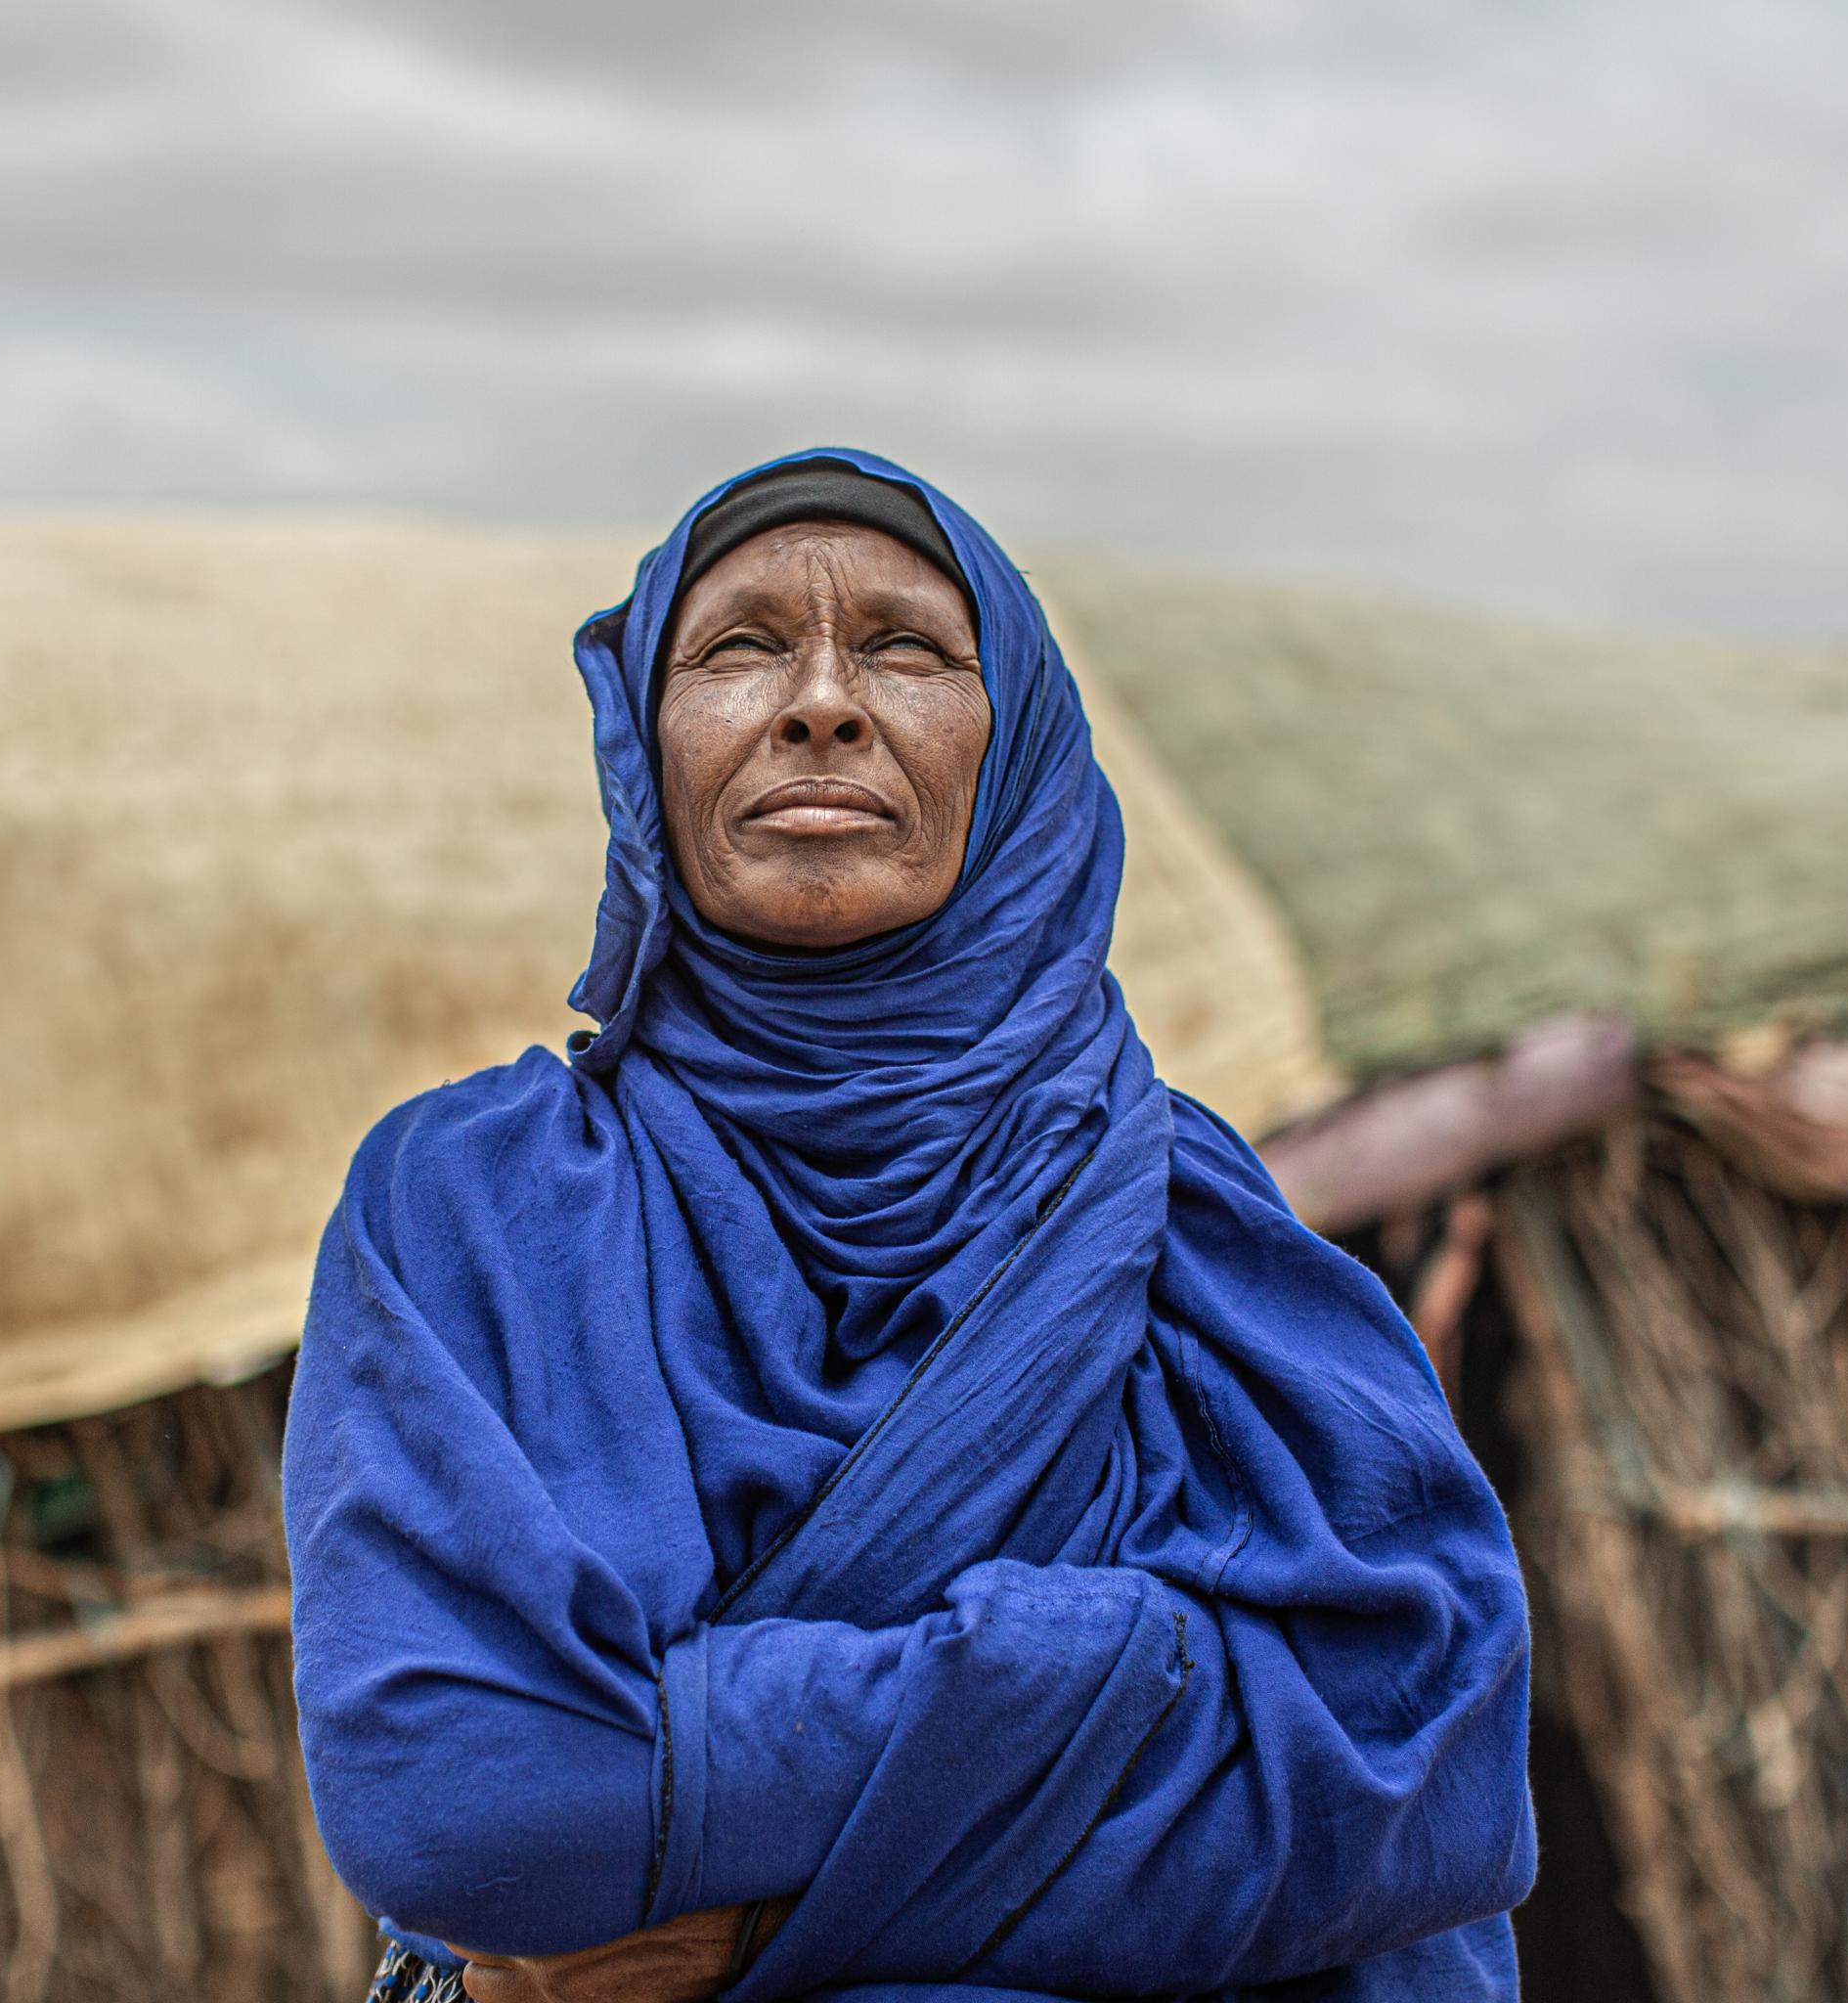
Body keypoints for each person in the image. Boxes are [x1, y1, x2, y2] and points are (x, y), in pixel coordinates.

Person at [286, 451, 1536, 2003]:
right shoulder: (470, 1204)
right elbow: (476, 1810)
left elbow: (1407, 1777)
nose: (820, 702)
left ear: (1016, 755)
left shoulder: (1187, 1221)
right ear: (643, 748)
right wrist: (1117, 1669)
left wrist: (744, 1918)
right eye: (738, 648)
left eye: (906, 650)